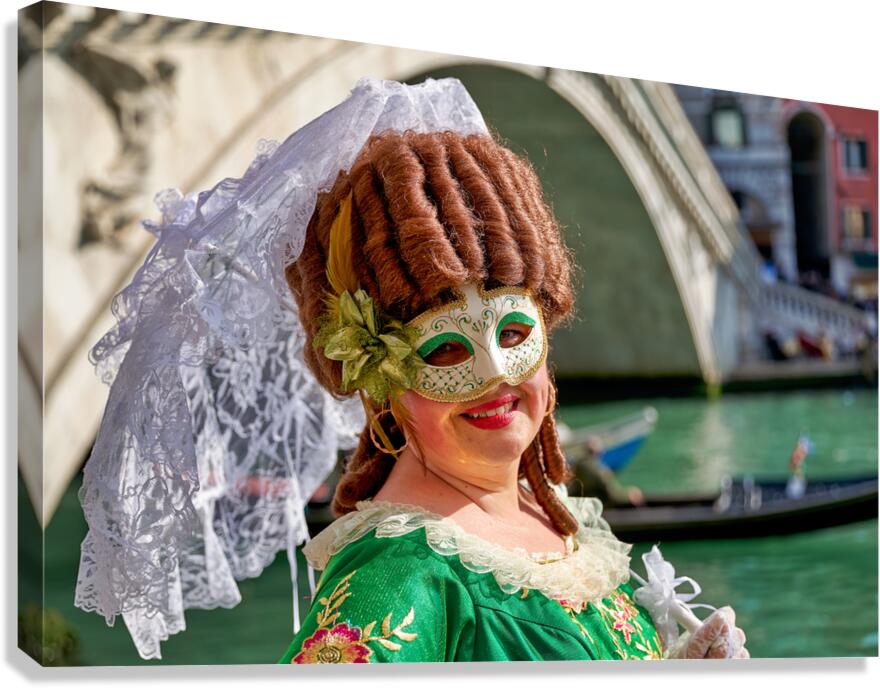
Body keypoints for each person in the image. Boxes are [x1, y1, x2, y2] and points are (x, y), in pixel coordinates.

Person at [76, 77, 747, 663]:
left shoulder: (551, 516)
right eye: (445, 350)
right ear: (381, 384)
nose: (494, 373)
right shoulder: (398, 577)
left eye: (514, 333)